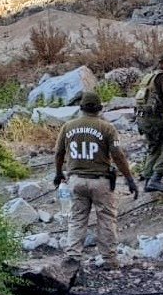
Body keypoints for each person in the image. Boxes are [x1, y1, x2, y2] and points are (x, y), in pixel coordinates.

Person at [54, 91, 138, 262]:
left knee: (77, 218)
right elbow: (118, 155)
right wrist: (129, 178)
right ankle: (109, 259)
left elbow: (58, 153)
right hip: (101, 181)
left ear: (81, 107)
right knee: (106, 219)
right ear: (100, 108)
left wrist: (58, 173)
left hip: (76, 179)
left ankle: (73, 257)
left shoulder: (68, 126)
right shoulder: (107, 128)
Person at [135, 52, 163, 193]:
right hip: (156, 119)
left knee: (154, 147)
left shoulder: (150, 76)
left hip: (143, 119)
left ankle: (148, 180)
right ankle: (156, 179)